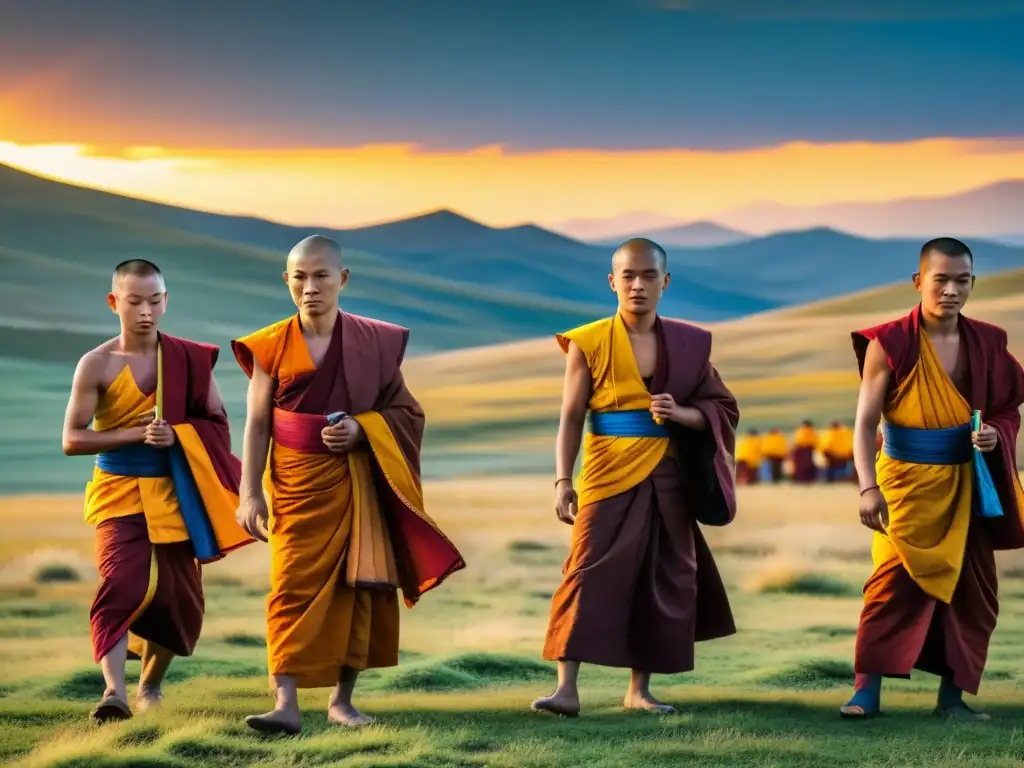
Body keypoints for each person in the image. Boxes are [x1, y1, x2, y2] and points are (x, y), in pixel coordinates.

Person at [232, 235, 465, 734]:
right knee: (291, 584)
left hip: (358, 480)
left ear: (343, 279)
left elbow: (404, 412)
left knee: (359, 585)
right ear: (286, 280)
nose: (310, 287)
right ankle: (286, 702)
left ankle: (343, 702)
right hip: (296, 481)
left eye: (321, 276)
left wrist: (363, 430)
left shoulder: (373, 342)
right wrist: (249, 492)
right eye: (299, 276)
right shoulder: (270, 344)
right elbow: (256, 424)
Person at [530, 238, 739, 718]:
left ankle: (638, 690)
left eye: (649, 276)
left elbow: (723, 406)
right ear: (612, 281)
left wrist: (684, 414)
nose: (638, 285)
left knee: (659, 573)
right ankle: (566, 689)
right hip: (607, 471)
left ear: (665, 282)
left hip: (667, 475)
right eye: (628, 275)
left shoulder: (688, 344)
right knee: (585, 571)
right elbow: (570, 415)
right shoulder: (588, 341)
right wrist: (563, 480)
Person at [840, 237, 1024, 720]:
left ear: (972, 284)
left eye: (961, 281)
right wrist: (866, 487)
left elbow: (1006, 407)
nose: (950, 291)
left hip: (967, 482)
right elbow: (864, 423)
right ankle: (866, 691)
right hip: (904, 482)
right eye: (940, 280)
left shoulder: (988, 341)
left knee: (971, 593)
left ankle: (951, 699)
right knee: (890, 585)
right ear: (919, 281)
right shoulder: (891, 342)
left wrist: (994, 437)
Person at [62, 259, 252, 722]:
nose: (145, 311)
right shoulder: (98, 363)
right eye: (134, 301)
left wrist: (180, 435)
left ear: (166, 301)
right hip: (118, 492)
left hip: (176, 493)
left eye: (154, 300)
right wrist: (134, 433)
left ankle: (150, 686)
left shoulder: (188, 359)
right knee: (120, 584)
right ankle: (114, 693)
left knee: (176, 598)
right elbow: (73, 438)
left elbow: (218, 423)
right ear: (114, 303)